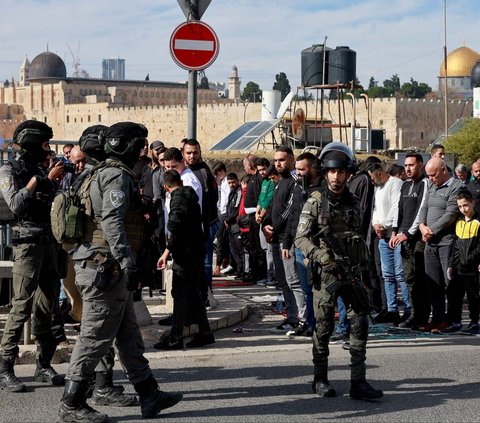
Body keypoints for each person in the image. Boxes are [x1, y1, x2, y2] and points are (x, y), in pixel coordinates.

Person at [58, 122, 183, 422]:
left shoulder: (100, 173)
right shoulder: (115, 175)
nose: (142, 149)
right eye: (139, 144)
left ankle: (149, 394)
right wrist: (129, 261)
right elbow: (112, 222)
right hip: (105, 267)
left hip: (105, 267)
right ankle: (71, 403)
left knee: (128, 336)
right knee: (94, 336)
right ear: (124, 146)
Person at [295, 141, 383, 401]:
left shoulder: (353, 201)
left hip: (353, 273)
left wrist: (365, 273)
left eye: (341, 172)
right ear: (325, 173)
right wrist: (322, 256)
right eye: (332, 172)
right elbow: (301, 238)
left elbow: (358, 237)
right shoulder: (315, 201)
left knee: (359, 323)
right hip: (327, 275)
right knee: (324, 327)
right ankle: (320, 379)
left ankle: (358, 382)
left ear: (347, 174)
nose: (336, 176)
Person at [0, 120, 66, 393]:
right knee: (21, 306)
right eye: (44, 144)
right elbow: (14, 203)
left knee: (47, 306)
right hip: (27, 245)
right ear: (30, 144)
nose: (47, 149)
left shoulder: (40, 168)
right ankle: (5, 367)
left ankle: (43, 364)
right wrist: (40, 181)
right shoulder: (9, 169)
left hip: (49, 242)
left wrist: (52, 181)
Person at [154, 170, 215, 350]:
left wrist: (166, 252)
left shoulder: (178, 198)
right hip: (196, 250)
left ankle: (176, 336)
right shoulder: (190, 195)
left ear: (166, 187)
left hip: (186, 253)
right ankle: (205, 332)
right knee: (194, 294)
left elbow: (175, 226)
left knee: (180, 294)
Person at [418, 157, 463, 333]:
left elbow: (451, 214)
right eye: (428, 175)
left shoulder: (456, 186)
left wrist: (431, 231)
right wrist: (422, 226)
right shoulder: (430, 185)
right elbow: (424, 207)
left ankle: (453, 320)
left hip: (447, 242)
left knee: (449, 283)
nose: (430, 178)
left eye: (433, 175)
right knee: (433, 284)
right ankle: (437, 319)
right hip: (430, 243)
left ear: (443, 170)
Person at [283, 152, 322, 337]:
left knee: (321, 288)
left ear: (313, 168)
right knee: (306, 289)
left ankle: (326, 325)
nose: (298, 173)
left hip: (316, 245)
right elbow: (293, 216)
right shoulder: (298, 187)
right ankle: (310, 323)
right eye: (296, 169)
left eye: (302, 169)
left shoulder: (322, 188)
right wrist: (287, 243)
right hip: (299, 245)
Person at [367, 161, 411, 325]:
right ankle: (392, 310)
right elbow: (376, 210)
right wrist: (376, 224)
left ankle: (407, 309)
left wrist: (385, 225)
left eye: (372, 177)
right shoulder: (378, 188)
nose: (372, 181)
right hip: (383, 236)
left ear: (379, 173)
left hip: (396, 233)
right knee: (387, 275)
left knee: (400, 274)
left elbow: (396, 209)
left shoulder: (395, 183)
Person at [263, 147, 301, 333]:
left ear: (292, 160)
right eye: (276, 160)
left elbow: (290, 211)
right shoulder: (279, 182)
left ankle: (300, 319)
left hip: (288, 239)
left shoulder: (295, 181)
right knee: (283, 281)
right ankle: (292, 318)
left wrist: (275, 227)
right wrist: (266, 224)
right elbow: (272, 207)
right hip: (275, 238)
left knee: (293, 280)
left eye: (282, 160)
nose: (278, 164)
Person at [390, 153, 429, 329]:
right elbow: (399, 210)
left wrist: (408, 233)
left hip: (417, 238)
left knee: (420, 277)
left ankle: (422, 316)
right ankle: (414, 314)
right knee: (409, 278)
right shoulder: (405, 185)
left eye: (411, 165)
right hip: (402, 237)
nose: (408, 168)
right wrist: (394, 231)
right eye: (406, 165)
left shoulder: (425, 183)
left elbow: (421, 210)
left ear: (420, 165)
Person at [183, 139, 219, 304]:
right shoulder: (183, 171)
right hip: (191, 227)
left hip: (204, 225)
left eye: (195, 152)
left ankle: (205, 296)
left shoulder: (203, 173)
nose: (192, 156)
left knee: (205, 262)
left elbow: (210, 200)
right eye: (188, 152)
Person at [444, 190, 480, 334]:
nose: (463, 209)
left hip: (472, 267)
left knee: (473, 296)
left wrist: (471, 260)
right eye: (460, 206)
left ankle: (474, 322)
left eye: (466, 205)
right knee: (454, 295)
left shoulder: (478, 222)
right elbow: (456, 246)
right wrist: (452, 264)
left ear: (473, 203)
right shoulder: (458, 222)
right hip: (459, 267)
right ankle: (455, 322)